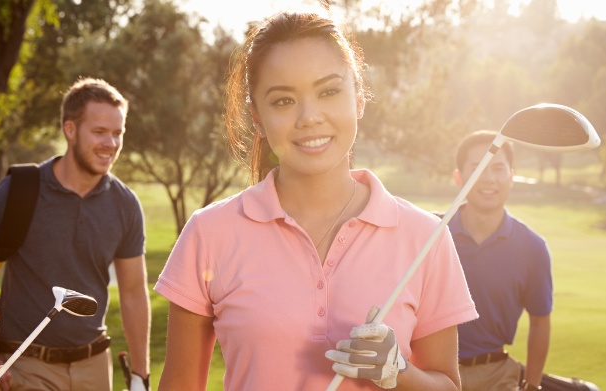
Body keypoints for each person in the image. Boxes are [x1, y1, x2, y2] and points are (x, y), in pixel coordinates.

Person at [155, 9, 478, 391]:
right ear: (257, 118)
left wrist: (399, 371)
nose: (310, 117)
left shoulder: (427, 237)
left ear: (358, 99)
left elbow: (448, 385)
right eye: (283, 101)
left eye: (328, 91)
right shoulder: (209, 234)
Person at [0, 78, 151, 391]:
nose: (111, 143)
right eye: (100, 132)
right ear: (70, 130)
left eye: (118, 133)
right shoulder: (21, 190)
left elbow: (132, 293)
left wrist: (140, 377)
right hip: (27, 366)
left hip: (94, 368)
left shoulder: (125, 204)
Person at [449, 131, 553, 391]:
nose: (488, 179)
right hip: (431, 372)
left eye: (497, 168)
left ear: (511, 176)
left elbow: (540, 322)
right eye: (478, 168)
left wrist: (532, 385)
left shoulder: (533, 247)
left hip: (496, 376)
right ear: (459, 178)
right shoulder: (431, 233)